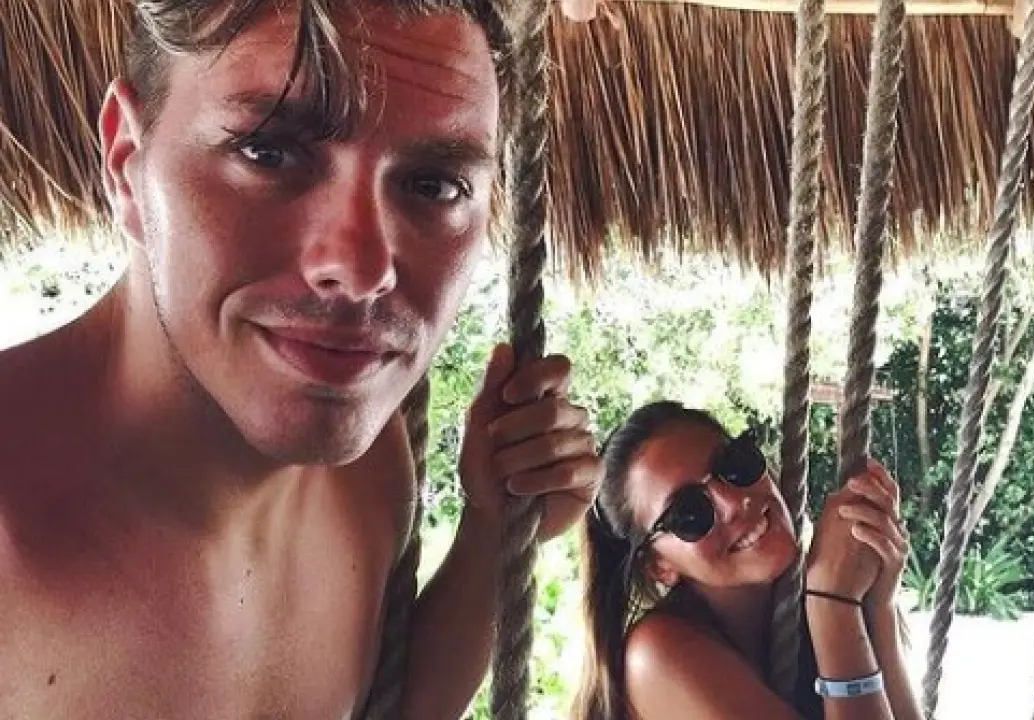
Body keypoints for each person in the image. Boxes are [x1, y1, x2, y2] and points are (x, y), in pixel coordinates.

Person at [0, 2, 602, 719]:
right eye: (269, 152)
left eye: (434, 185)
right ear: (126, 161)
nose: (361, 269)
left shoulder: (369, 474)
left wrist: (490, 538)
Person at [573, 401, 926, 720]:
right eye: (689, 513)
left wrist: (879, 604)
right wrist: (834, 606)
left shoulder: (806, 604)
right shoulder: (657, 653)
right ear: (658, 566)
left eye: (734, 465)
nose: (734, 503)